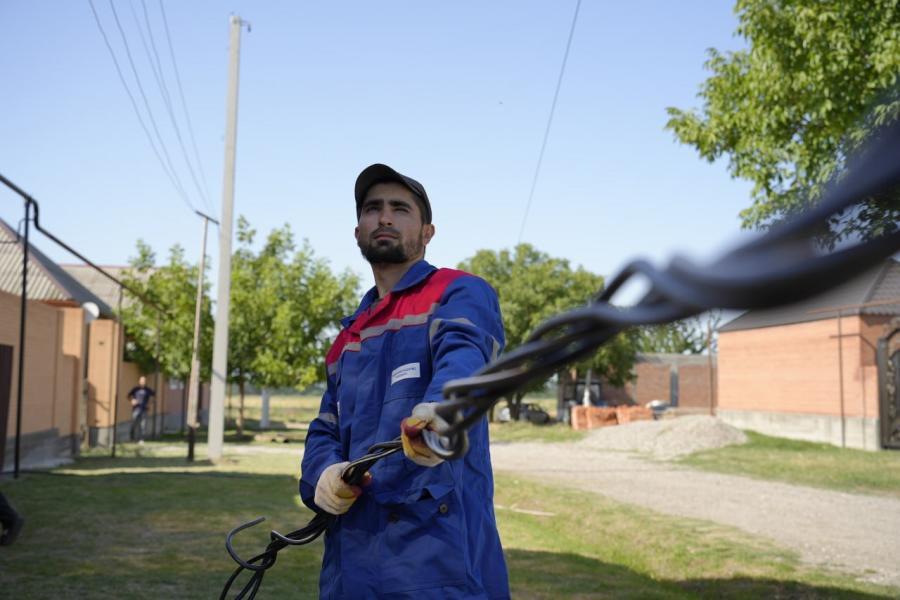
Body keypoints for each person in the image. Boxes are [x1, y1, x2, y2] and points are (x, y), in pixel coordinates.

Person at [300, 164, 509, 599]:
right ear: (357, 231)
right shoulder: (348, 338)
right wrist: (322, 474)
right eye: (372, 209)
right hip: (349, 573)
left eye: (400, 209)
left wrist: (445, 410)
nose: (384, 217)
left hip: (437, 566)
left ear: (428, 232)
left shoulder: (457, 292)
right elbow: (325, 427)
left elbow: (466, 354)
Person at [128, 376, 155, 443]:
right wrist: (132, 400)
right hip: (136, 409)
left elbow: (154, 396)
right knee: (134, 423)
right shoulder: (135, 389)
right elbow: (128, 396)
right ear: (139, 381)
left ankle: (141, 439)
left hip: (144, 409)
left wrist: (150, 403)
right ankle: (132, 437)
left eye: (143, 381)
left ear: (145, 382)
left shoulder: (148, 390)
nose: (142, 382)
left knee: (143, 424)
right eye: (141, 381)